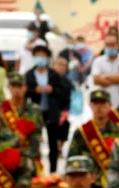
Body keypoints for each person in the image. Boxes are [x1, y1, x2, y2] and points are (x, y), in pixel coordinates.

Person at [25, 46, 69, 174]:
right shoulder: (29, 74)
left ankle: (53, 170)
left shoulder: (53, 74)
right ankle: (34, 170)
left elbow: (61, 92)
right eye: (37, 55)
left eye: (43, 56)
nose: (40, 58)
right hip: (34, 113)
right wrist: (34, 91)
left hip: (51, 111)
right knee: (33, 141)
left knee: (52, 142)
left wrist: (52, 90)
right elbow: (25, 91)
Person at [4, 72, 45, 175]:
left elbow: (37, 135)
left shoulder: (34, 109)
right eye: (13, 86)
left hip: (29, 156)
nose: (16, 89)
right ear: (8, 87)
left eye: (20, 86)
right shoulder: (2, 109)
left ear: (25, 88)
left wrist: (29, 155)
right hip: (7, 156)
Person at [91, 33, 119, 109]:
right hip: (104, 104)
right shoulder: (98, 61)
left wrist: (105, 76)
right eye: (107, 45)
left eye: (112, 44)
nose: (110, 47)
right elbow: (96, 80)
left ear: (118, 45)